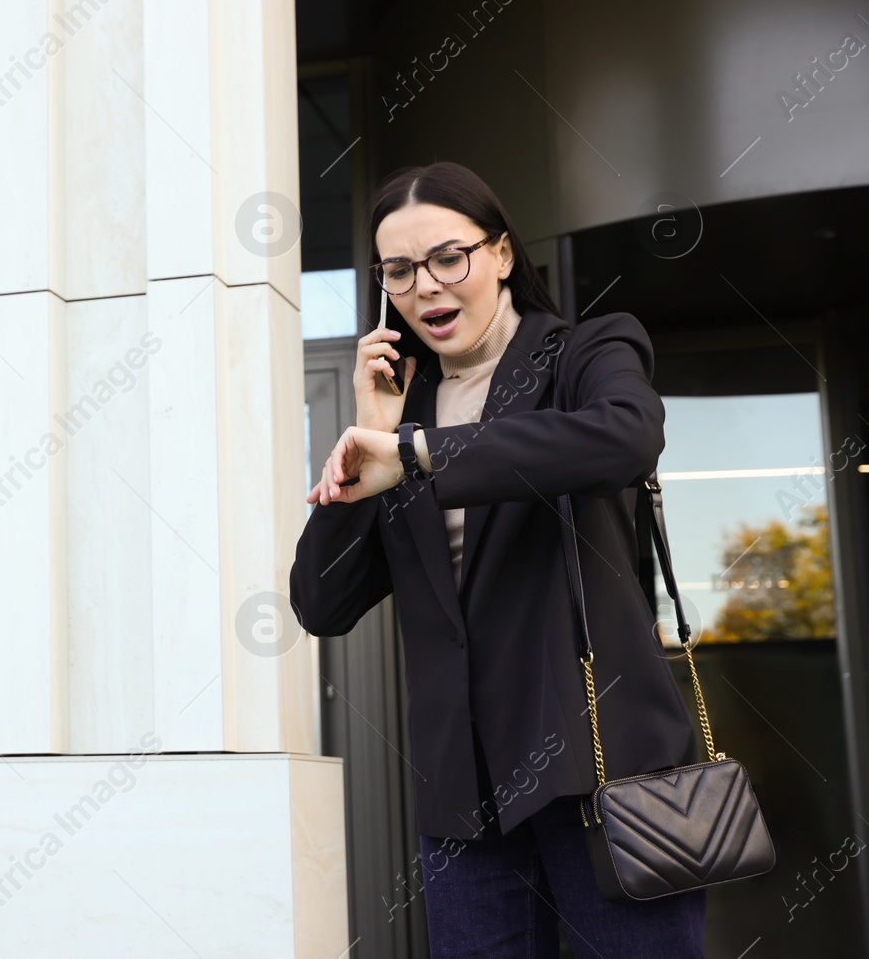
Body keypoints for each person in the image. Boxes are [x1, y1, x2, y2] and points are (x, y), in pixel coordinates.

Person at [289, 161, 707, 958]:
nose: (426, 287)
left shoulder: (586, 352)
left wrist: (417, 451)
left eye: (450, 257)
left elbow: (625, 435)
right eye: (400, 270)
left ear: (504, 253)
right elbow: (320, 601)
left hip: (603, 775)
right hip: (464, 805)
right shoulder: (401, 417)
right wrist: (371, 429)